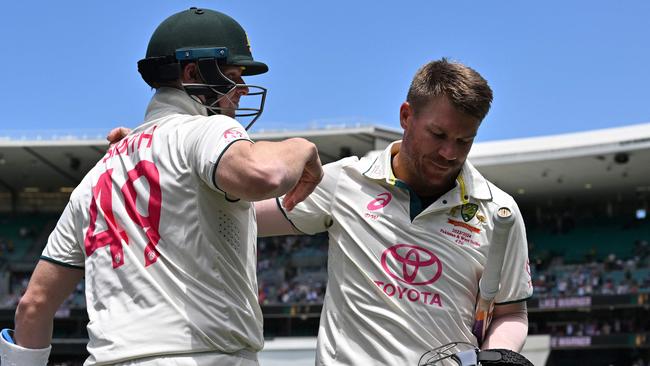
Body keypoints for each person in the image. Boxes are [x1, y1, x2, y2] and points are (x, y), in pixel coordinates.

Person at [0, 7, 322, 366]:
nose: (242, 89)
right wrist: (301, 147)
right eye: (232, 75)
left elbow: (32, 306)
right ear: (192, 73)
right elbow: (263, 175)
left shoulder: (93, 180)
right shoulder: (205, 130)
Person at [256, 58, 533, 365]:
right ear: (406, 116)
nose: (449, 153)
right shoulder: (344, 181)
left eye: (464, 141)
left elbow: (511, 313)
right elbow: (243, 218)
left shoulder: (499, 212)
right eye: (438, 135)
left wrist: (497, 356)